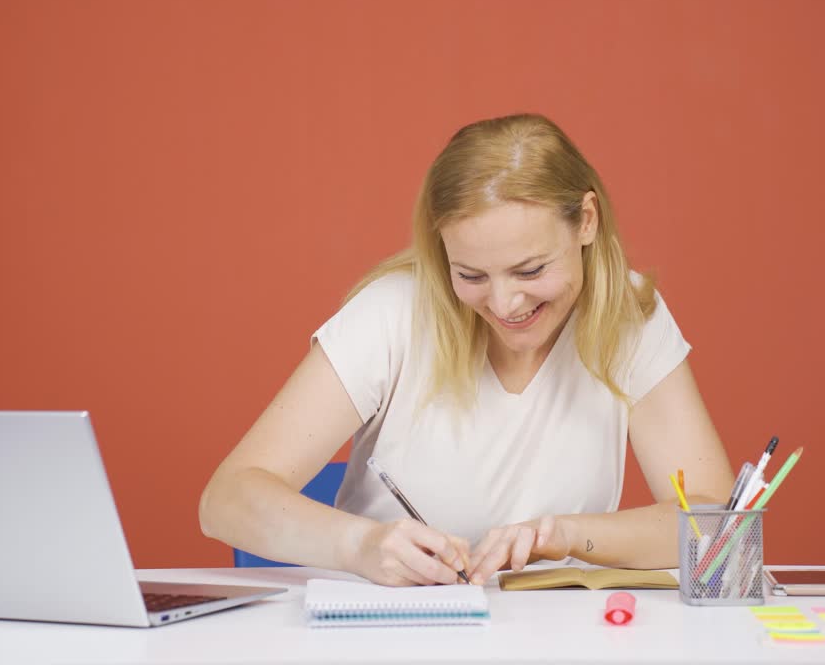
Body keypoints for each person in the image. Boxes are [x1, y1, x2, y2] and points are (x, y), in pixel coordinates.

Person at [199, 113, 734, 587]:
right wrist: (360, 546)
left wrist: (568, 535)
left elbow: (718, 528)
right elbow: (226, 500)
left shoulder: (628, 319)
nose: (504, 303)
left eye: (531, 270)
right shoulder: (392, 314)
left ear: (586, 222)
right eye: (470, 274)